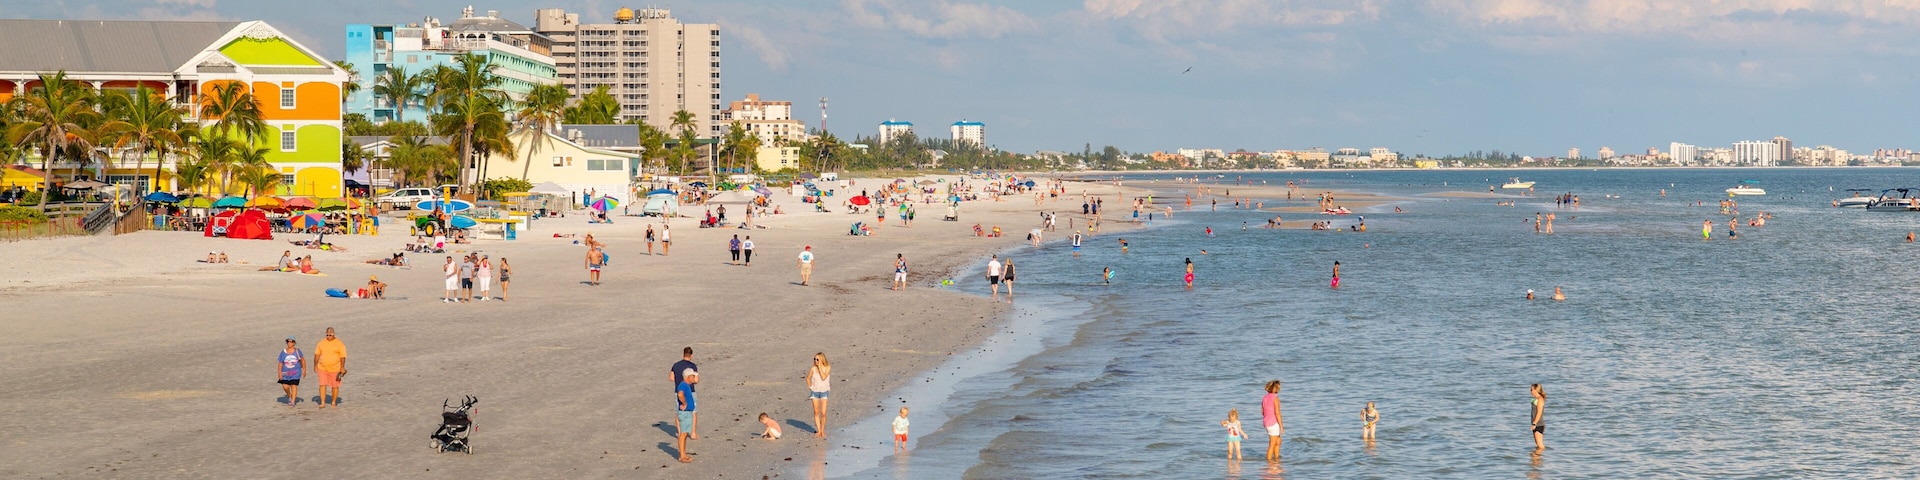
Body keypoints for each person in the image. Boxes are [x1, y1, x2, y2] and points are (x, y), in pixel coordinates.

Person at [314, 327, 346, 408]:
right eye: (327, 335)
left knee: (335, 386)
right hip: (322, 368)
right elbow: (317, 355)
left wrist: (342, 367)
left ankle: (333, 401)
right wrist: (315, 365)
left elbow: (342, 357)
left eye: (330, 335)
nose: (328, 336)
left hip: (335, 369)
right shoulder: (321, 343)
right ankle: (323, 402)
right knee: (322, 384)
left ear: (334, 334)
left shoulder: (339, 343)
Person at [671, 347, 699, 439]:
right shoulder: (692, 366)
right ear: (691, 355)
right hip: (690, 391)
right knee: (693, 412)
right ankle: (693, 433)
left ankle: (680, 433)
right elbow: (696, 380)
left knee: (679, 411)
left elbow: (671, 378)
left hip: (678, 390)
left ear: (683, 354)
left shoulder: (676, 365)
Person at [807, 352, 832, 438]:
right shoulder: (813, 369)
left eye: (817, 359)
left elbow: (823, 377)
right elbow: (808, 378)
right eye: (814, 359)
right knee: (816, 412)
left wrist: (820, 367)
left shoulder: (827, 368)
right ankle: (818, 430)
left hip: (824, 391)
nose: (815, 361)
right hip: (815, 392)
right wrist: (809, 386)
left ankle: (822, 430)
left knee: (824, 413)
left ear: (822, 360)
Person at [676, 369, 698, 463]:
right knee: (683, 434)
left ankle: (684, 454)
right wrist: (684, 403)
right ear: (688, 376)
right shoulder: (683, 385)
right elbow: (680, 394)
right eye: (693, 376)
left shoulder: (686, 385)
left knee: (685, 435)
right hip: (685, 413)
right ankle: (682, 456)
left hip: (687, 412)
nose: (694, 378)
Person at [278, 336, 304, 407]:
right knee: (285, 386)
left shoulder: (297, 351)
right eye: (288, 341)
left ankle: (292, 401)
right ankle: (290, 396)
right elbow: (280, 363)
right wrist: (279, 373)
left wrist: (304, 370)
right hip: (285, 373)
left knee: (293, 386)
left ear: (294, 343)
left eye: (291, 341)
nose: (289, 343)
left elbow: (302, 360)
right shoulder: (283, 352)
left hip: (296, 372)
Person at [1262, 380, 1283, 462]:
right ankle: (1269, 462)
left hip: (1266, 422)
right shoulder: (1275, 398)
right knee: (1272, 444)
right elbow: (1277, 413)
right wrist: (1281, 426)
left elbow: (1262, 411)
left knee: (1278, 441)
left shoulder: (1265, 397)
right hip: (1273, 422)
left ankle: (1276, 459)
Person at [1530, 384, 1547, 450]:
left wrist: (1534, 423)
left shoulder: (1540, 399)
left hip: (1538, 424)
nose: (1530, 391)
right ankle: (1537, 459)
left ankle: (1538, 458)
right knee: (1538, 444)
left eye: (1532, 389)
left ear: (1536, 390)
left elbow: (1539, 413)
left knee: (1540, 445)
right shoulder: (1536, 399)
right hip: (1536, 423)